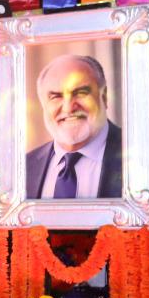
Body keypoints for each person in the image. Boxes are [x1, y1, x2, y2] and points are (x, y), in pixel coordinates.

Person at [25, 54, 123, 200]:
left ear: (104, 97)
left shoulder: (136, 155)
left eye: (81, 93)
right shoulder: (26, 166)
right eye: (56, 96)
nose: (68, 108)